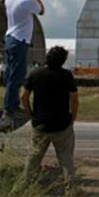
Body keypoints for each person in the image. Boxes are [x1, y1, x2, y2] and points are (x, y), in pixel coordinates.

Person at [21, 45, 78, 187]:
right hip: (62, 124)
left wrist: (29, 114)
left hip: (40, 123)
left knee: (34, 157)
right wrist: (72, 118)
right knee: (66, 158)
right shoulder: (66, 75)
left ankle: (26, 184)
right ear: (63, 61)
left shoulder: (35, 73)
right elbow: (74, 99)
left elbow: (24, 96)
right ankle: (70, 187)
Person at [3, 0, 44, 123]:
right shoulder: (27, 1)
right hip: (20, 40)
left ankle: (10, 105)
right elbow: (41, 10)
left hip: (10, 37)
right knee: (17, 76)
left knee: (10, 73)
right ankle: (10, 109)